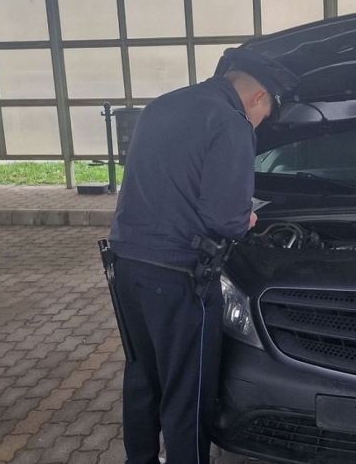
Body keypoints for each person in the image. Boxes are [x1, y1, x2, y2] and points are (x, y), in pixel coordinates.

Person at [108, 47, 299, 464]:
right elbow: (225, 219)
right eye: (265, 115)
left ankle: (139, 459)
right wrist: (248, 217)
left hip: (126, 266)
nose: (259, 123)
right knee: (187, 389)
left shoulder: (161, 106)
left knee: (142, 375)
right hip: (178, 275)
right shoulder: (230, 122)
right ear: (259, 97)